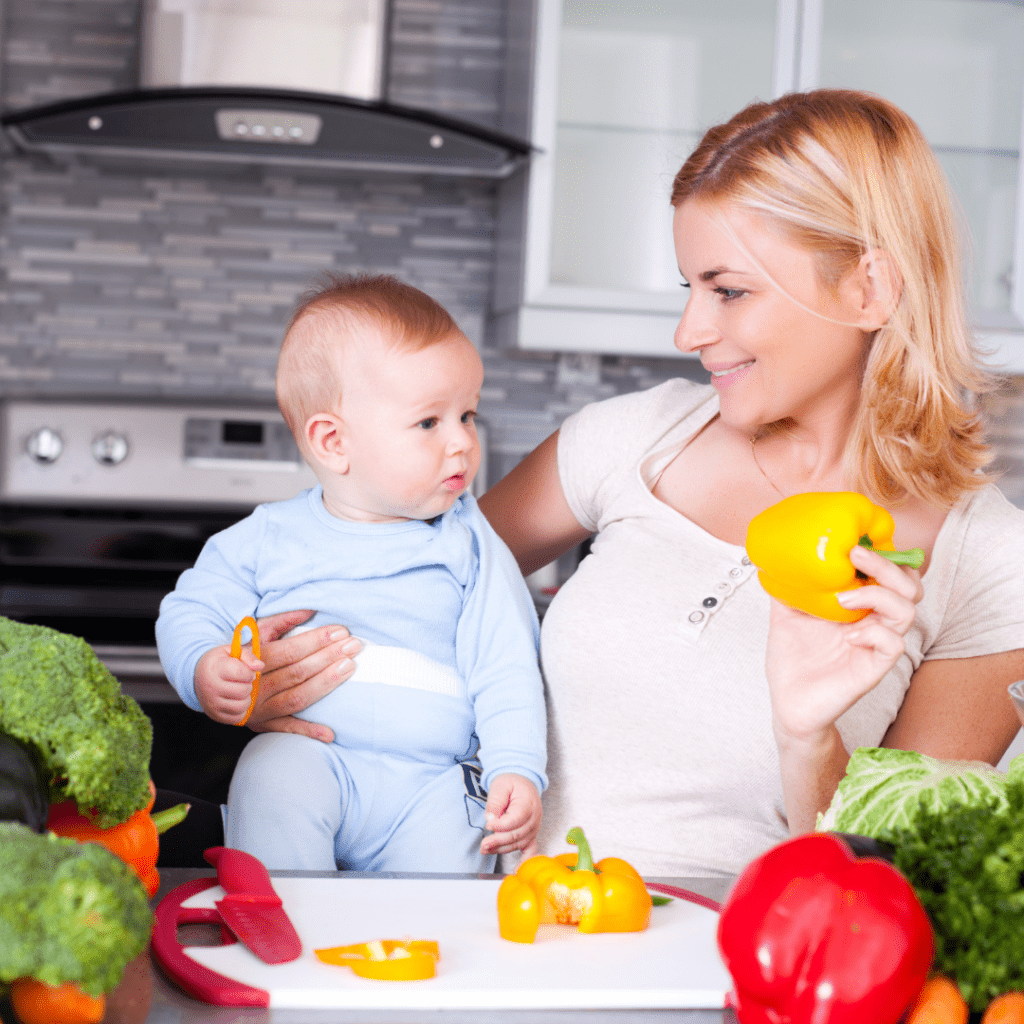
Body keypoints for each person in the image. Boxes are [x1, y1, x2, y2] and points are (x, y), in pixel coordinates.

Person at [208, 90, 1024, 878]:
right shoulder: (627, 439)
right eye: (689, 287)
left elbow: (899, 890)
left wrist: (808, 737)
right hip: (484, 945)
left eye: (729, 290)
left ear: (868, 288)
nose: (689, 331)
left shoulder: (986, 561)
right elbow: (418, 591)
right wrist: (279, 682)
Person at [156, 273, 546, 872]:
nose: (463, 443)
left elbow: (506, 662)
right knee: (269, 774)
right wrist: (206, 668)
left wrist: (516, 765)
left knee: (445, 885)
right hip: (313, 760)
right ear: (333, 442)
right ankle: (282, 924)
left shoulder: (470, 544)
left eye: (466, 415)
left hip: (432, 782)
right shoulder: (269, 538)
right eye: (429, 423)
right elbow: (191, 612)